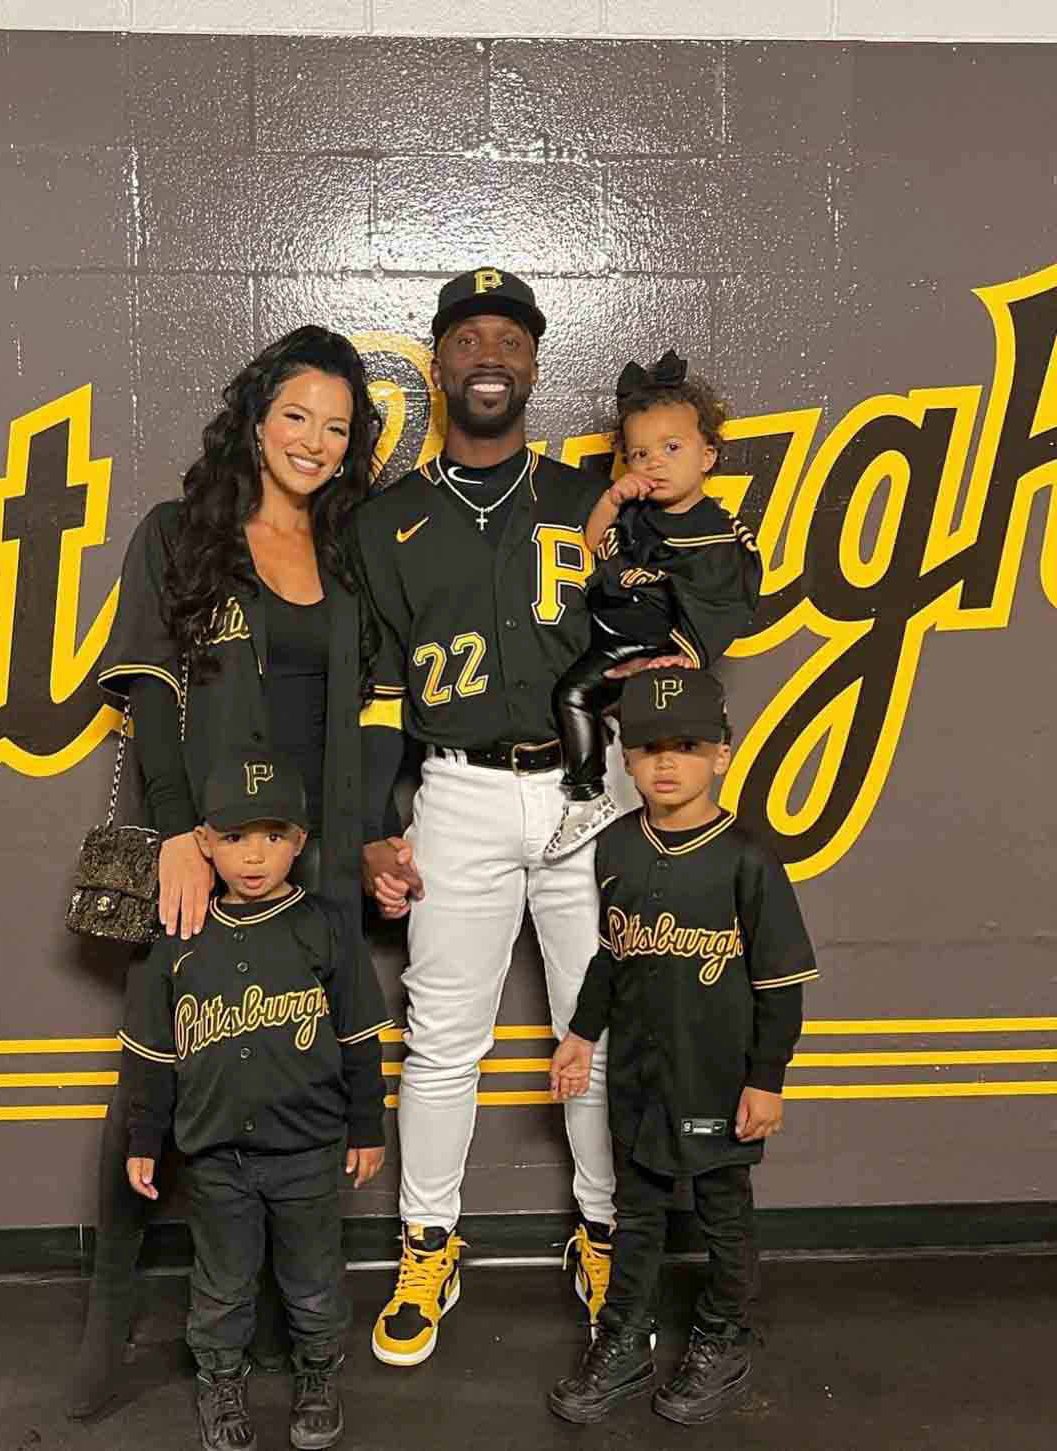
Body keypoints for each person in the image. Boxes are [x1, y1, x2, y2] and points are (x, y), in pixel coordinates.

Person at [68, 327, 398, 1418]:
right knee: (168, 1061)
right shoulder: (181, 536)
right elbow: (155, 692)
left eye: (338, 426)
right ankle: (107, 1336)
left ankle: (304, 1345)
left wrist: (368, 837)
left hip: (313, 860)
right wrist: (176, 829)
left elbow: (375, 714)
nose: (315, 439)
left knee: (309, 1065)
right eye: (297, 414)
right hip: (213, 846)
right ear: (256, 419)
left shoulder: (354, 556)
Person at [355, 268, 662, 1367]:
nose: (489, 351)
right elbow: (377, 698)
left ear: (535, 361)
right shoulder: (385, 520)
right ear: (437, 363)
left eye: (510, 336)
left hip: (591, 783)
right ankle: (426, 1242)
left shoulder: (594, 494)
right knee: (441, 1037)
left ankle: (604, 1234)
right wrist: (373, 825)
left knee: (605, 1023)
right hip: (458, 787)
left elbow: (664, 637)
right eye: (467, 336)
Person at [547, 668, 818, 1427]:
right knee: (636, 1214)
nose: (668, 763)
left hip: (718, 1076)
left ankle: (725, 1336)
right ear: (625, 759)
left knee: (724, 1212)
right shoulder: (617, 853)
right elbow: (610, 957)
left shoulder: (747, 859)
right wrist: (579, 1034)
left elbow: (782, 982)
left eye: (688, 746)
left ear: (722, 754)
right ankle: (626, 1338)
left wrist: (767, 1079)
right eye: (650, 747)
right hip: (639, 1072)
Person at [120, 752, 392, 1451]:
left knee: (311, 1281)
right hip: (216, 1156)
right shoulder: (179, 935)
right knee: (222, 1287)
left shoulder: (325, 925)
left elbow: (359, 1038)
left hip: (308, 1147)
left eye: (273, 835)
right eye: (236, 836)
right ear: (205, 841)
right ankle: (220, 1377)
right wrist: (145, 1137)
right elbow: (152, 1054)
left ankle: (318, 1373)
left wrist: (367, 1126)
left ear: (299, 842)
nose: (254, 854)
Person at [544, 352, 762, 862]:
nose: (654, 463)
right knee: (572, 694)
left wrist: (682, 656)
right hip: (614, 639)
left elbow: (726, 602)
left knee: (659, 754)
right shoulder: (637, 516)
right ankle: (589, 797)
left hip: (663, 653)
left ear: (707, 456)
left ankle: (601, 806)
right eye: (640, 455)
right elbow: (586, 550)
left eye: (671, 447)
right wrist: (611, 501)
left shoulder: (719, 534)